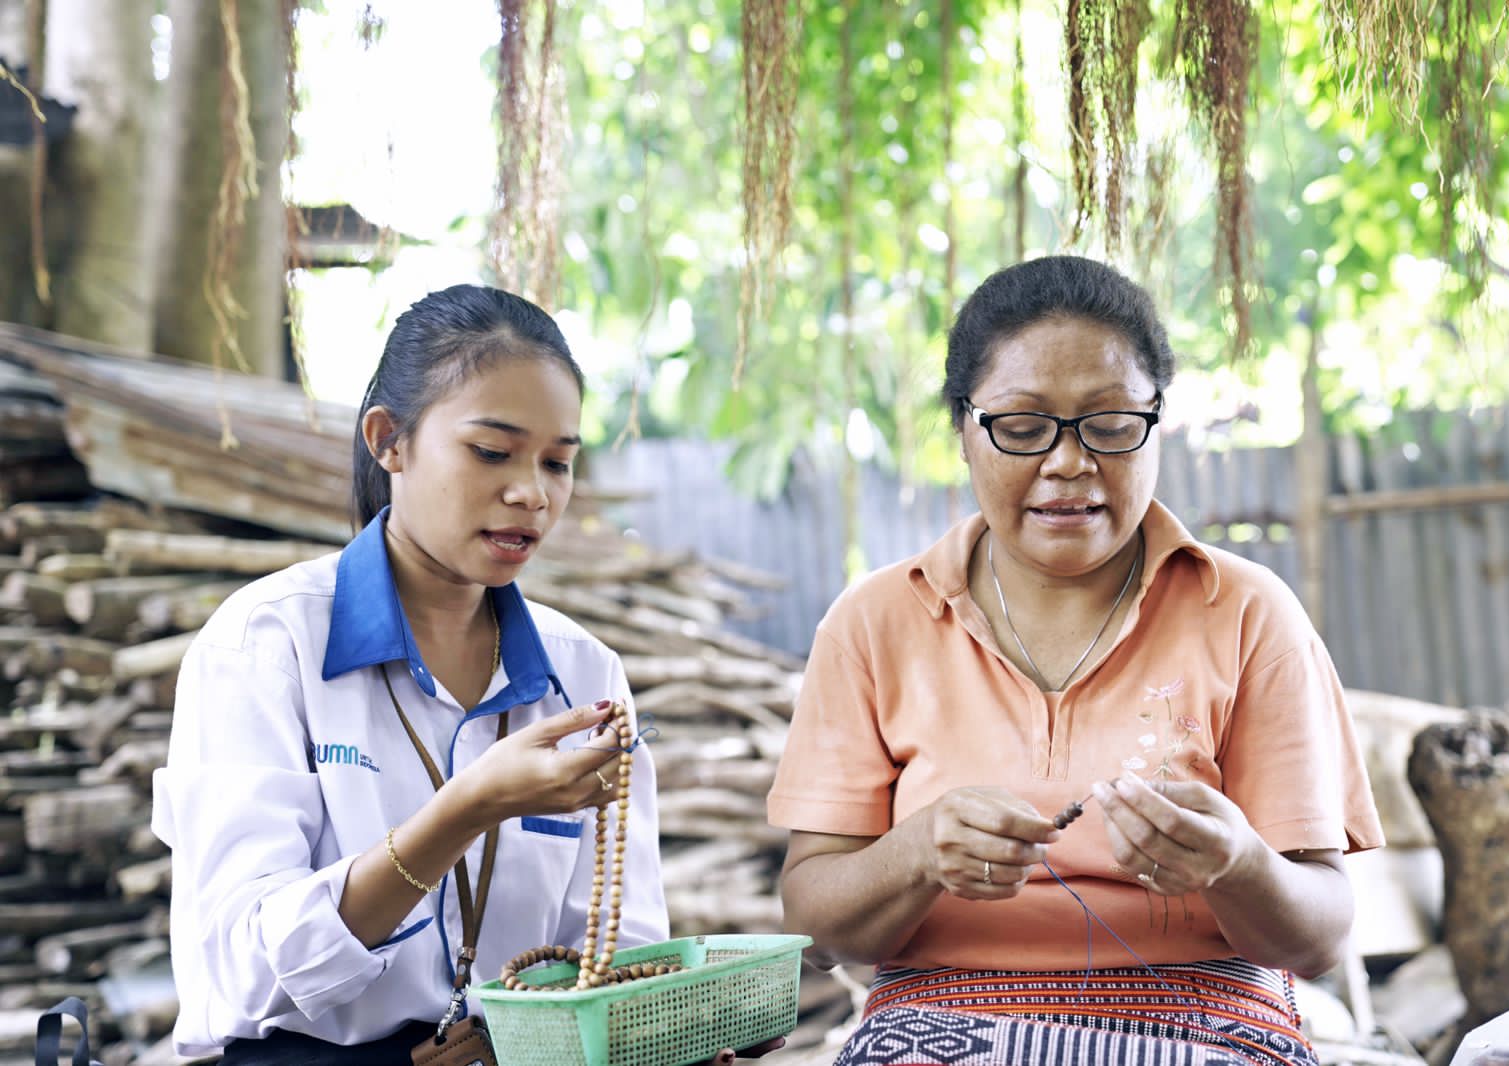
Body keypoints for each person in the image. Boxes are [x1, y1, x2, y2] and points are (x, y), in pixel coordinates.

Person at [767, 256, 1385, 1066]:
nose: (1068, 463)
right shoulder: (875, 622)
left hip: (1210, 1027)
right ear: (964, 431)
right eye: (1022, 428)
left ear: (1157, 421)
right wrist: (915, 853)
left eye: (1111, 424)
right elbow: (812, 925)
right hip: (933, 1032)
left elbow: (1319, 937)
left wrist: (1238, 865)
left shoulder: (1246, 612)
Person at [150, 285, 668, 1063]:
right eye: (492, 451)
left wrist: (534, 1041)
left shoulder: (584, 673)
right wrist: (462, 811)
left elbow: (620, 951)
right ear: (389, 441)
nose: (532, 492)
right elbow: (246, 969)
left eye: (558, 462)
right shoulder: (265, 645)